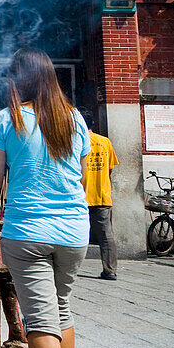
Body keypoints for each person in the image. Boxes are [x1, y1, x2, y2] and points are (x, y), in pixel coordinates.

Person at [0, 49, 90, 348]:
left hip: (27, 231)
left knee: (41, 321)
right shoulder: (74, 118)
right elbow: (78, 175)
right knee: (61, 311)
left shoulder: (5, 119)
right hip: (75, 232)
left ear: (17, 80)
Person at [80, 110, 119, 280]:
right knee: (105, 235)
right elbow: (110, 168)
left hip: (79, 195)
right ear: (93, 124)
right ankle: (110, 270)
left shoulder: (76, 141)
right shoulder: (105, 141)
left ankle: (67, 268)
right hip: (102, 195)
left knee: (75, 233)